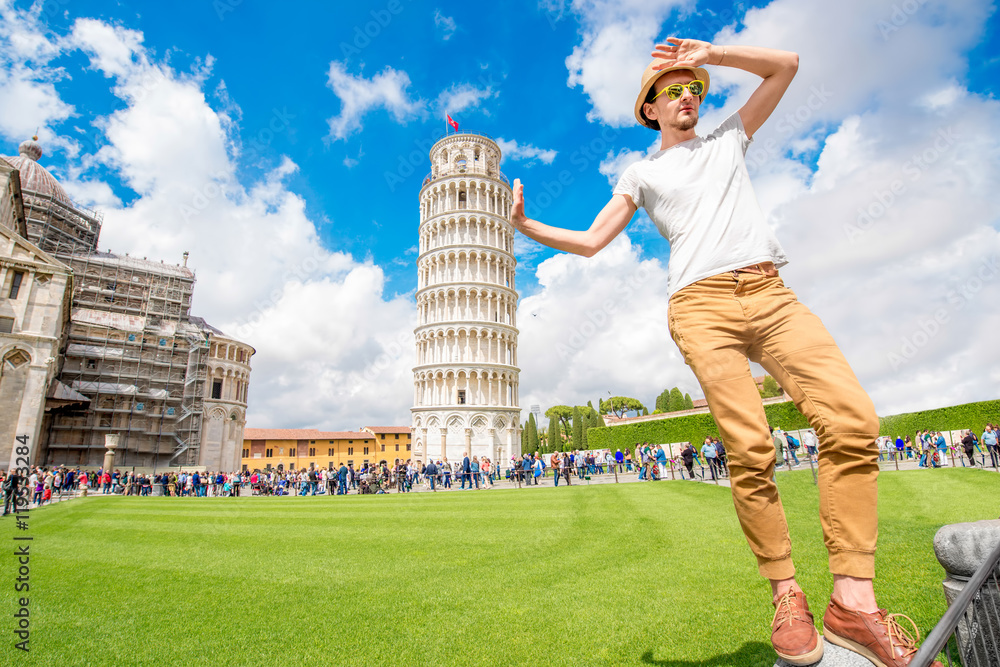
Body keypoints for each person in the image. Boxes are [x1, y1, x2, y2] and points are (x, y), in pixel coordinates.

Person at [509, 36, 936, 667]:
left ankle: (853, 604)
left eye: (693, 91)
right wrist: (527, 227)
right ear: (650, 108)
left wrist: (713, 55)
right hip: (699, 305)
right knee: (750, 447)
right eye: (673, 91)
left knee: (852, 421)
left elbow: (787, 65)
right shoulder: (641, 173)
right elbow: (595, 241)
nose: (687, 98)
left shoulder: (730, 137)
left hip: (769, 290)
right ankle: (786, 594)